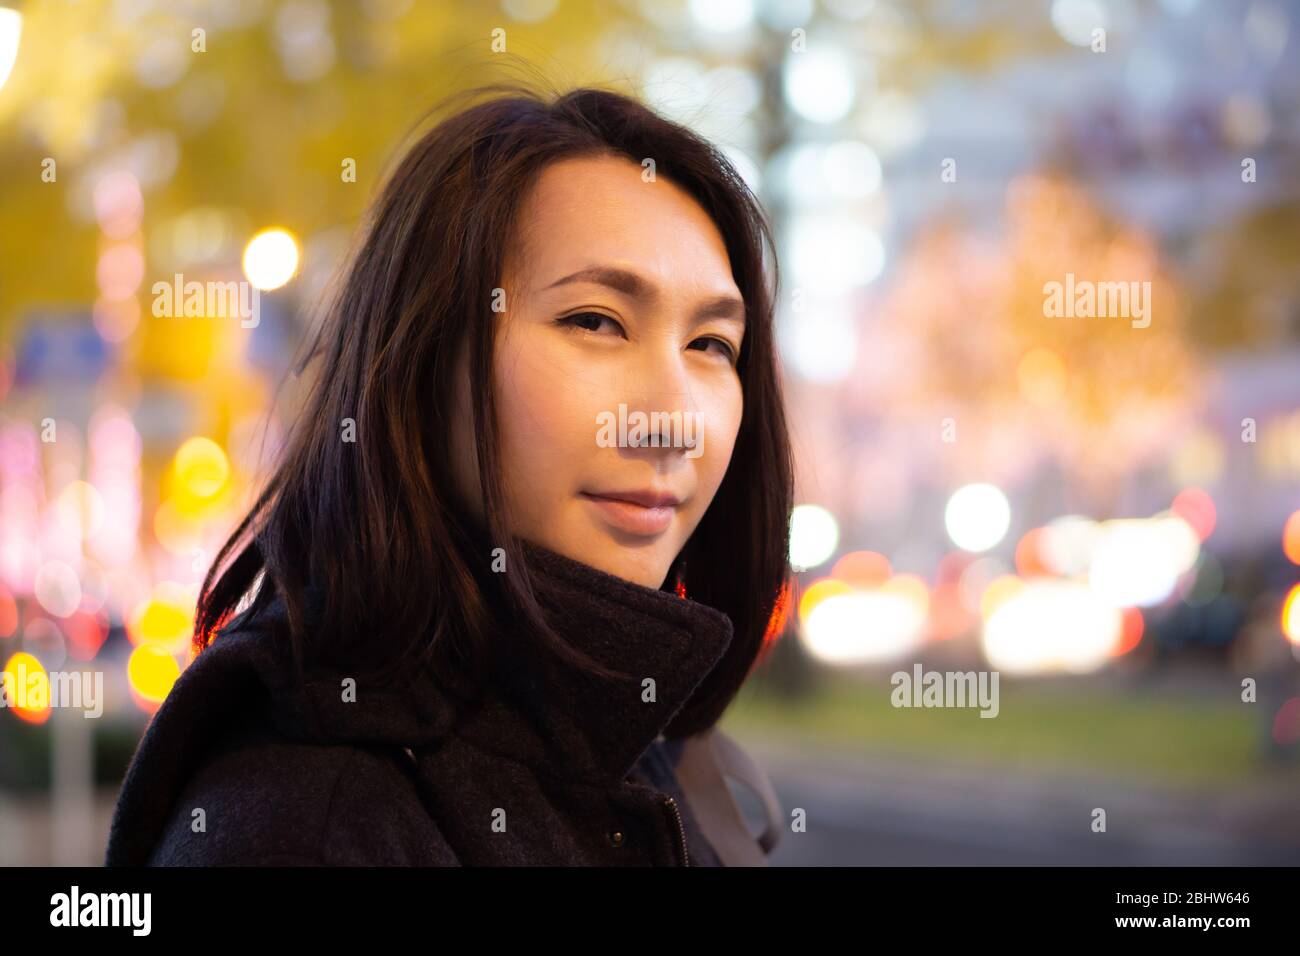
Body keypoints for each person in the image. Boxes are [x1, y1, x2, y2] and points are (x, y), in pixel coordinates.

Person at [104, 83, 794, 866]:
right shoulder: (311, 828)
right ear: (423, 365)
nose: (674, 420)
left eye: (710, 344)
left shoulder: (635, 748)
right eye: (594, 321)